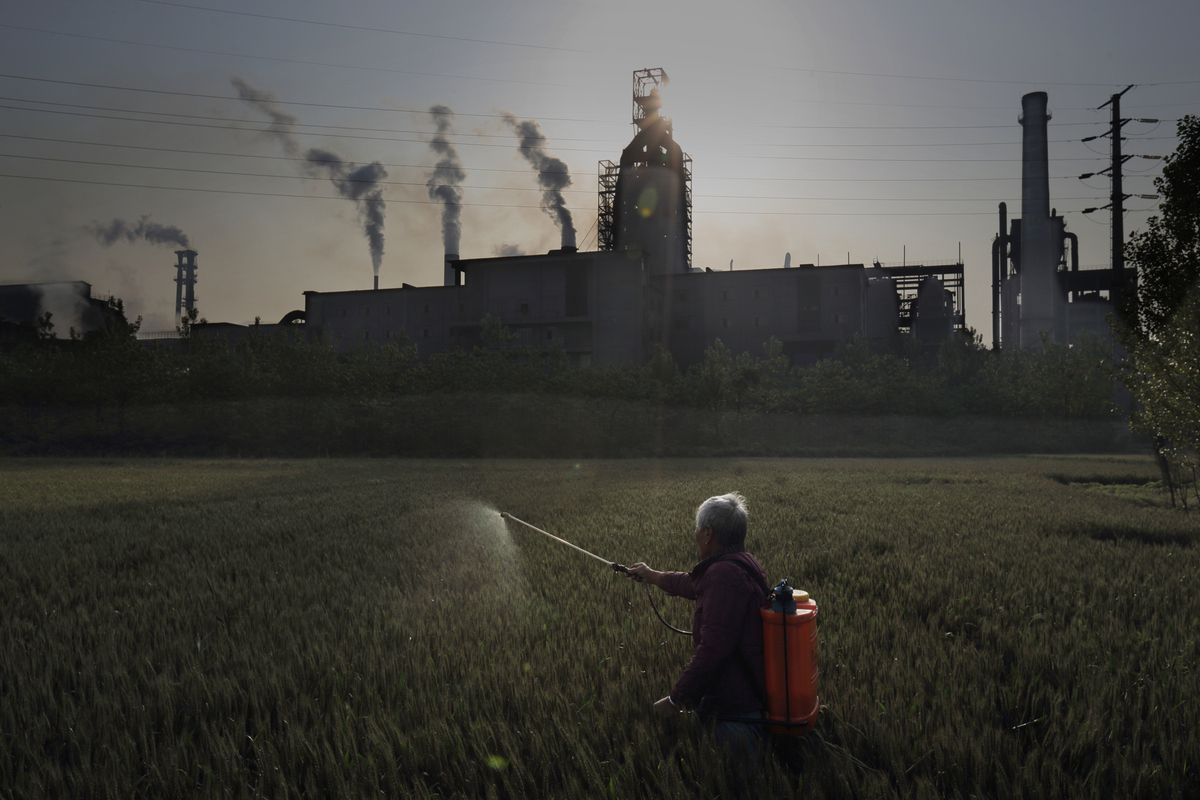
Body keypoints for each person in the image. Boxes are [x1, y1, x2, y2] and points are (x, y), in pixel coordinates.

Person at [625, 492, 770, 753]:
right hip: (746, 700)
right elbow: (695, 584)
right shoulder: (742, 564)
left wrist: (675, 699)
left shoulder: (724, 575)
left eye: (697, 528)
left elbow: (714, 648)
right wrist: (652, 576)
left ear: (707, 534)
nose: (695, 534)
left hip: (735, 712)